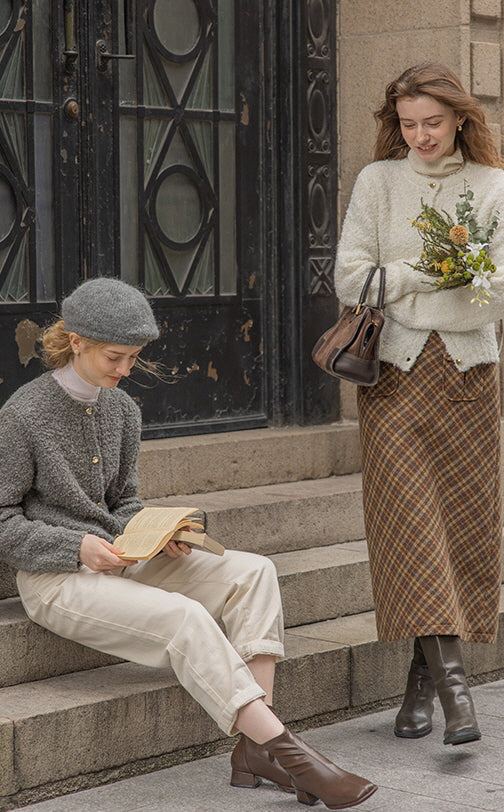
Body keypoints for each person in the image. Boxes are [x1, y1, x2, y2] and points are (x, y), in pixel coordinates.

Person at [0, 277, 377, 809]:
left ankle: (255, 748)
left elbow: (123, 502)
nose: (126, 370)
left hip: (123, 558)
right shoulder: (22, 414)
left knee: (254, 572)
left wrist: (162, 532)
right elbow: (2, 521)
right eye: (116, 357)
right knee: (185, 617)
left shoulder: (122, 411)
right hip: (56, 578)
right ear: (77, 340)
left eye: (133, 358)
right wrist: (76, 548)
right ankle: (289, 753)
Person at [334, 63, 504, 746]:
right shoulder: (377, 181)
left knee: (461, 531)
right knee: (409, 530)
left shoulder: (494, 187)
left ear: (459, 120)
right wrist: (437, 271)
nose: (419, 136)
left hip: (470, 378)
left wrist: (417, 284)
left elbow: (500, 297)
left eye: (432, 124)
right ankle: (455, 693)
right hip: (392, 380)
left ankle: (418, 684)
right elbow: (351, 277)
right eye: (408, 124)